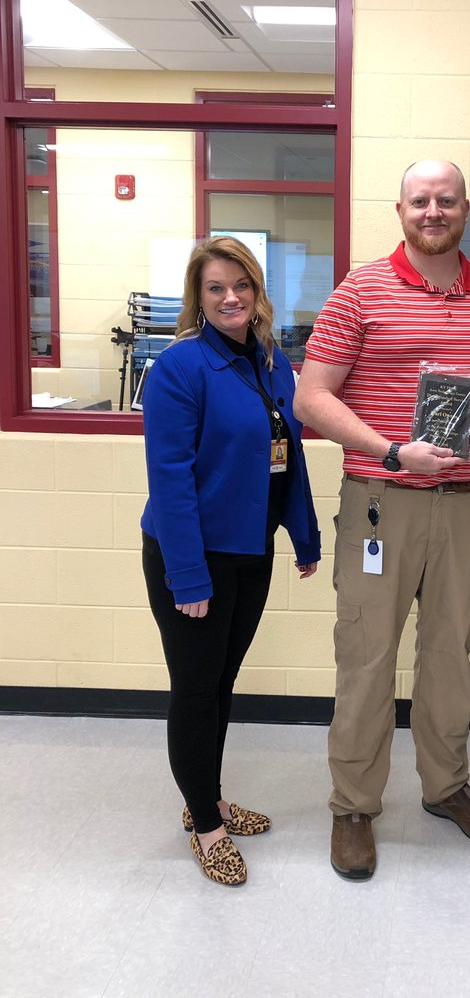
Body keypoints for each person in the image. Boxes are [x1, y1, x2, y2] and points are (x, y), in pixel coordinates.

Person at [294, 159, 470, 881]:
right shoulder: (361, 290)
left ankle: (446, 787)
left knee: (451, 655)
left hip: (466, 508)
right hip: (381, 503)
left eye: (447, 200)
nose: (434, 211)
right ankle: (353, 806)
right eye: (421, 201)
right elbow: (312, 398)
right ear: (400, 209)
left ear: (467, 208)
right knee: (367, 657)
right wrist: (393, 450)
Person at [141, 236, 320, 886]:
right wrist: (187, 575)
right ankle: (206, 825)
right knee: (195, 687)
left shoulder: (273, 364)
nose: (230, 298)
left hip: (251, 549)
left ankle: (207, 797)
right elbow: (170, 478)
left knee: (221, 683)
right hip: (192, 554)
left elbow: (287, 458)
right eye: (215, 288)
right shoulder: (179, 368)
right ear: (199, 298)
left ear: (257, 291)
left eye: (240, 285)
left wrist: (303, 536)